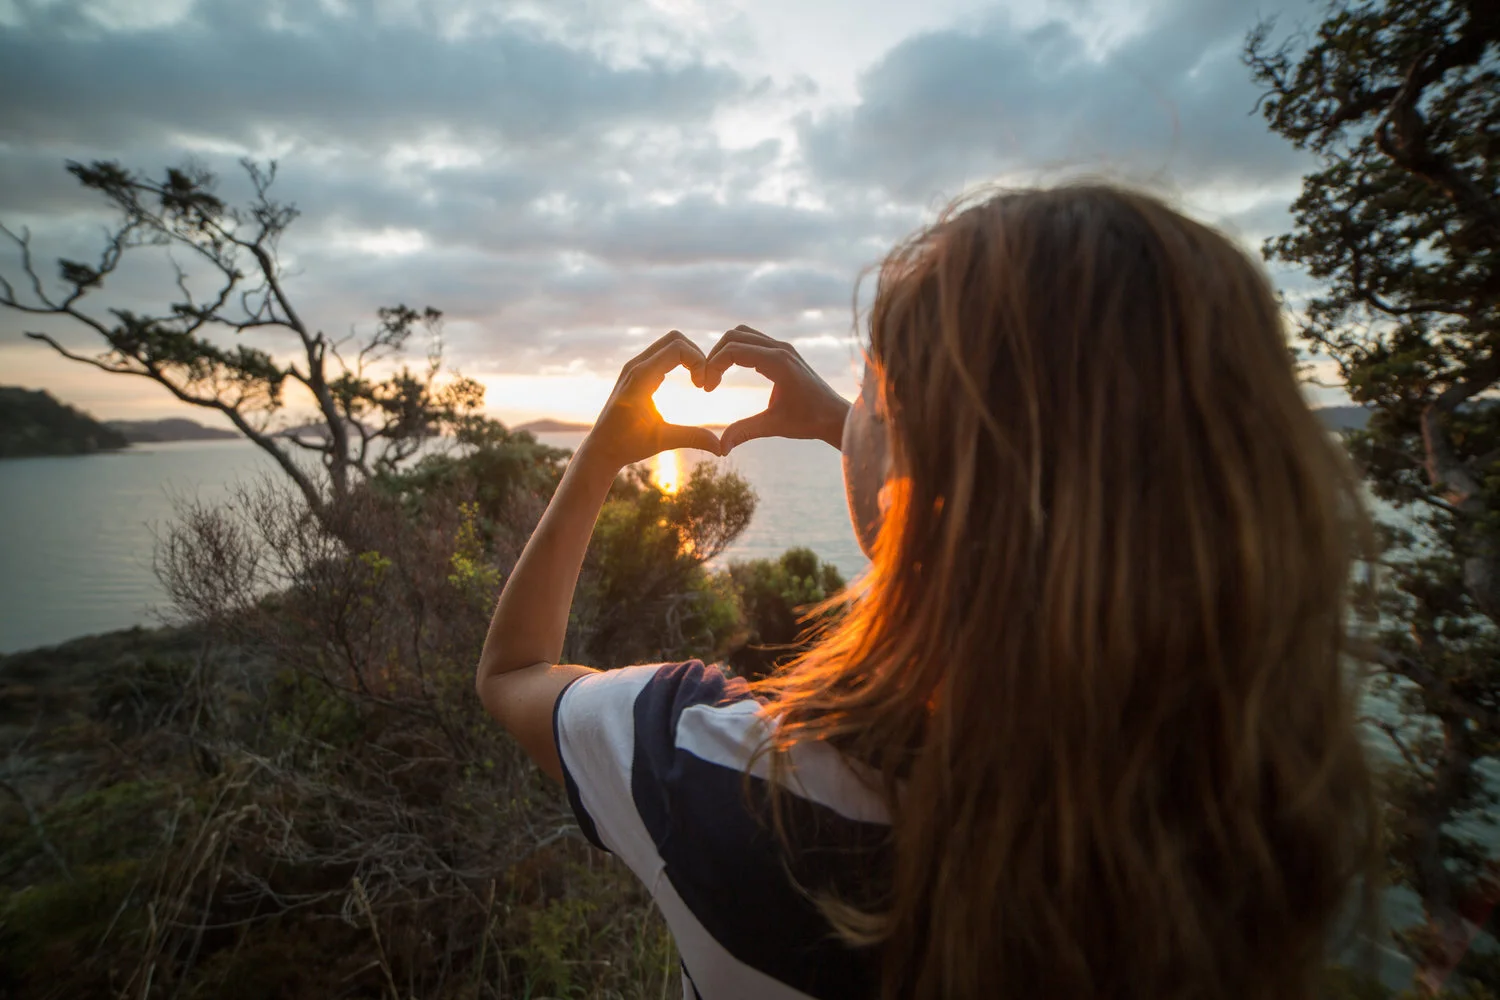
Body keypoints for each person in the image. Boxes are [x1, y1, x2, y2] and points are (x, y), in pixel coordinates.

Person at [475, 185, 1380, 1000]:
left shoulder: (711, 771)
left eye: (872, 386)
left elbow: (514, 673)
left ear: (907, 459)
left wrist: (597, 456)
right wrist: (846, 424)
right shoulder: (1246, 807)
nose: (853, 403)